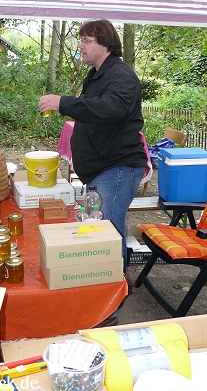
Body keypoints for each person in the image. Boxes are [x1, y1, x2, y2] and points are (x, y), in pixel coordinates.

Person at [39, 19, 147, 324]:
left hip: (117, 169)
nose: (81, 46)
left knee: (106, 239)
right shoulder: (98, 75)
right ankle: (97, 298)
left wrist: (65, 102)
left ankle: (107, 311)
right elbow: (94, 109)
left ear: (105, 43)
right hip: (100, 172)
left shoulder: (122, 76)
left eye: (86, 40)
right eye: (80, 40)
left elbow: (111, 109)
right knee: (93, 234)